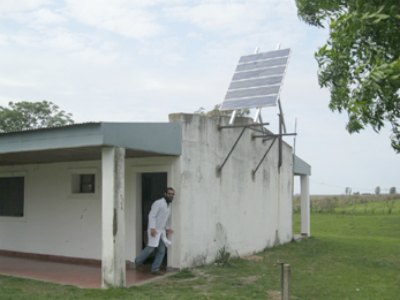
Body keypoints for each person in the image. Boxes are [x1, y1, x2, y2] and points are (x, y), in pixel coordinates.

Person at [135, 187, 175, 275]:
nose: (171, 196)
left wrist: (167, 228)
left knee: (161, 250)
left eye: (172, 194)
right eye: (169, 194)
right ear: (165, 194)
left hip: (161, 231)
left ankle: (155, 269)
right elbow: (151, 215)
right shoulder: (158, 203)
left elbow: (166, 218)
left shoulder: (169, 205)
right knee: (151, 248)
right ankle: (137, 261)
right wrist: (152, 228)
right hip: (154, 230)